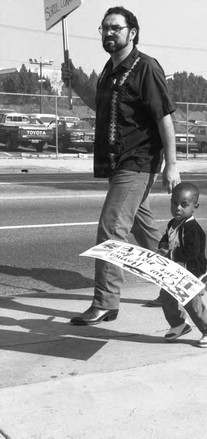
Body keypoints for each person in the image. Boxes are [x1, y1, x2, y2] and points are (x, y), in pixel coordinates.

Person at [61, 6, 180, 325]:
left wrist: (172, 164)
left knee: (111, 228)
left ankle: (105, 302)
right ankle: (177, 283)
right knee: (146, 232)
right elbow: (100, 105)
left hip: (137, 162)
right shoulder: (110, 70)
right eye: (105, 28)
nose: (109, 33)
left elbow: (163, 116)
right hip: (117, 164)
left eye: (116, 27)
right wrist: (75, 83)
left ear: (132, 32)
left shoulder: (146, 68)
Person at [158, 181, 207, 348]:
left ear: (195, 207)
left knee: (193, 305)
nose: (178, 208)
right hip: (176, 272)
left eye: (184, 205)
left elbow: (192, 253)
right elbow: (167, 237)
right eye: (174, 203)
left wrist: (171, 254)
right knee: (166, 297)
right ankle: (179, 324)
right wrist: (163, 245)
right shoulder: (173, 223)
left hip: (192, 274)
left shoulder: (193, 228)